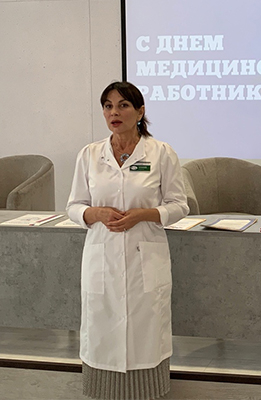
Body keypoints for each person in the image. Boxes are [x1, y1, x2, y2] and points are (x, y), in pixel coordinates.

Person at [66, 81, 189, 399]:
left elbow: (179, 205)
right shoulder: (90, 155)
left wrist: (143, 215)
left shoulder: (161, 153)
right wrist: (95, 213)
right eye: (108, 106)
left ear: (140, 111)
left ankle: (146, 390)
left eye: (123, 105)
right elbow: (74, 206)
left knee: (146, 332)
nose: (114, 112)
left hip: (144, 256)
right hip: (102, 257)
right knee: (102, 329)